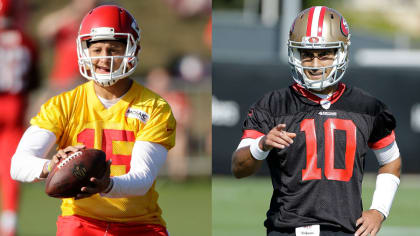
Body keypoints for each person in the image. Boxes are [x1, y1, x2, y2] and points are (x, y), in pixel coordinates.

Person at [231, 6, 401, 236]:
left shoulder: (367, 107)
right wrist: (261, 145)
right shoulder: (272, 105)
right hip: (285, 230)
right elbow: (239, 168)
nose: (314, 63)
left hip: (344, 230)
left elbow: (391, 161)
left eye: (324, 54)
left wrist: (379, 210)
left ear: (341, 52)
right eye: (307, 54)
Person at [11, 5, 176, 236]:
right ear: (84, 51)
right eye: (97, 49)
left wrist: (107, 185)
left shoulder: (154, 107)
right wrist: (51, 166)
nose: (104, 58)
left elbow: (143, 178)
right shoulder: (63, 104)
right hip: (81, 223)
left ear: (132, 50)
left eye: (113, 49)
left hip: (140, 224)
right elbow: (18, 164)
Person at [0, 0, 39, 235]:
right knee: (9, 167)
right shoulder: (26, 41)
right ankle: (9, 222)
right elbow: (33, 80)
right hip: (15, 104)